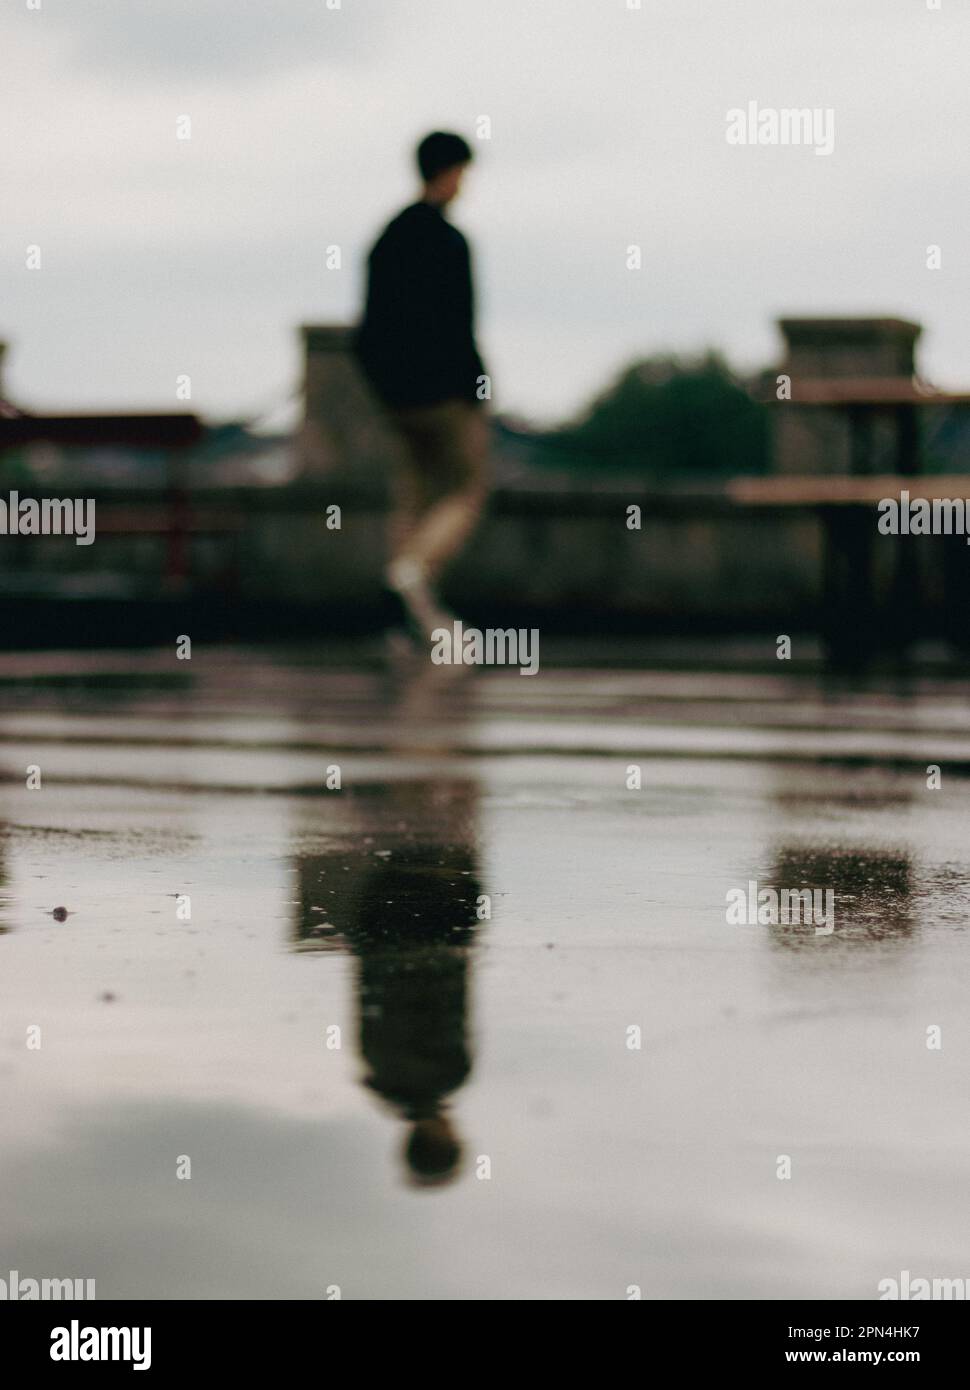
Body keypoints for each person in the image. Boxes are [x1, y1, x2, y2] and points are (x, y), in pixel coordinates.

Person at [355, 131, 489, 640]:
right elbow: (462, 325)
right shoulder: (451, 243)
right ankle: (410, 575)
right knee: (464, 492)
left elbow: (368, 327)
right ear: (450, 171)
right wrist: (475, 390)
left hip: (398, 396)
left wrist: (384, 386)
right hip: (445, 394)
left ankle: (407, 617)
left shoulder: (388, 239)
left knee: (413, 497)